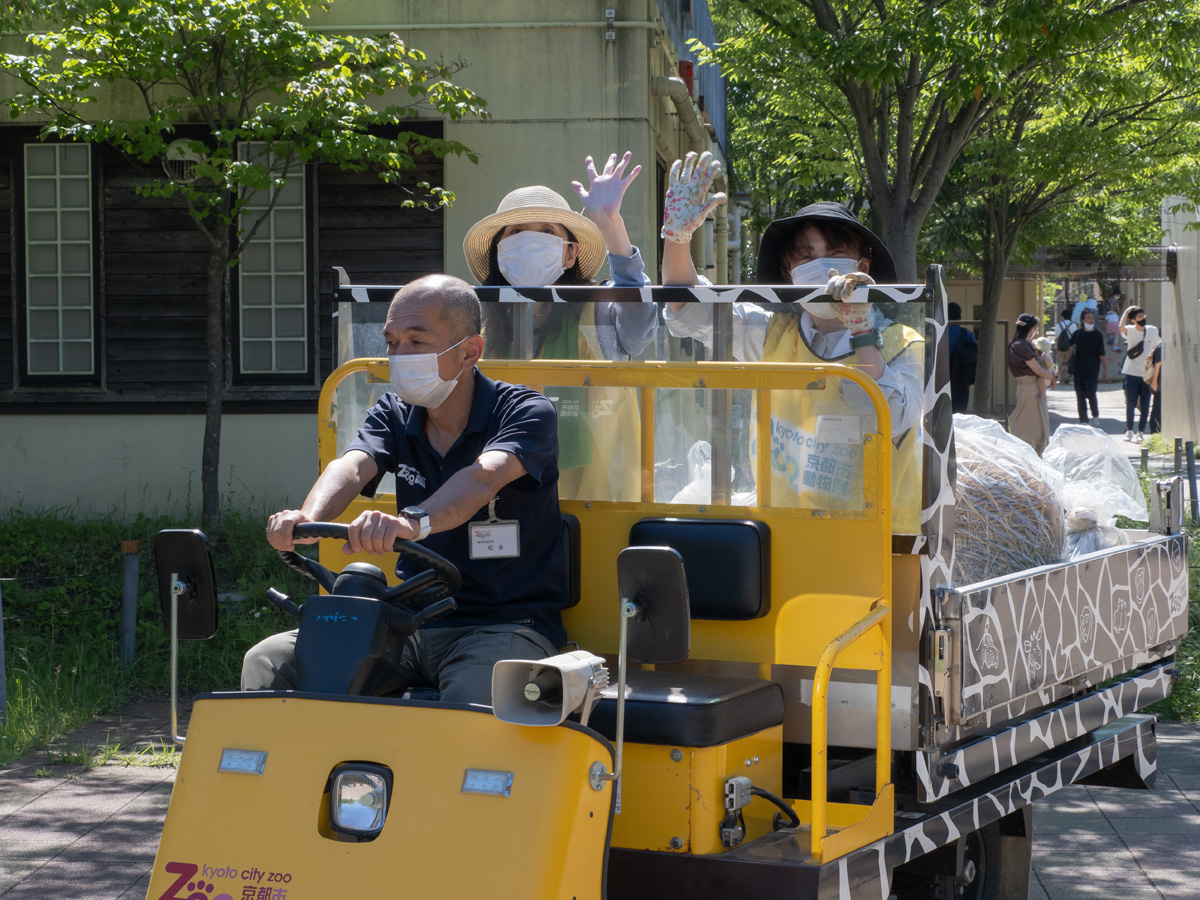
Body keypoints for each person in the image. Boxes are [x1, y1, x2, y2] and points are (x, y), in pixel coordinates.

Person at [242, 275, 568, 704]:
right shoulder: (395, 411)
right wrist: (309, 518)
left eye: (417, 341)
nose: (399, 355)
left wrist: (410, 523)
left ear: (469, 351)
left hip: (505, 624)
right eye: (392, 342)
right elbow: (354, 465)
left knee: (473, 696)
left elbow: (483, 476)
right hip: (405, 622)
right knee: (268, 661)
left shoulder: (526, 411)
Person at [659, 153, 924, 532]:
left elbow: (890, 416)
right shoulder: (771, 334)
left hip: (876, 546)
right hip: (783, 541)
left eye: (836, 253)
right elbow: (686, 308)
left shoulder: (903, 343)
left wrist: (861, 330)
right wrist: (677, 238)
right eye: (806, 256)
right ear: (790, 273)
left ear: (863, 268)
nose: (823, 266)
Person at [463, 152, 655, 501]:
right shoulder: (478, 329)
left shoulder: (595, 312)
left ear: (570, 254)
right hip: (498, 497)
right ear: (499, 253)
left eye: (547, 232)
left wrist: (610, 224)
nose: (529, 240)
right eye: (516, 232)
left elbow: (638, 325)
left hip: (593, 504)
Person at [1007, 312, 1056, 454]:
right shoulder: (1021, 345)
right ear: (1031, 329)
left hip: (1028, 387)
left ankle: (1026, 456)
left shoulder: (1018, 344)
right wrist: (1053, 376)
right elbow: (1037, 370)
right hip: (1029, 388)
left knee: (1032, 424)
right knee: (1034, 428)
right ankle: (1025, 456)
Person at [1118, 305, 1160, 442]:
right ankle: (1129, 430)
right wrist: (1126, 311)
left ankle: (1141, 432)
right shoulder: (1130, 330)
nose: (1143, 318)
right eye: (1139, 317)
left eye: (1144, 316)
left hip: (1146, 374)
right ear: (1133, 320)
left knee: (1145, 403)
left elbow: (1158, 345)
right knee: (1130, 403)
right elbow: (1121, 328)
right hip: (1131, 373)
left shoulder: (1153, 330)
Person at [1070, 307, 1106, 424]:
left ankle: (1095, 416)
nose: (1091, 320)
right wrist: (1065, 364)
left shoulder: (1098, 335)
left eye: (1092, 318)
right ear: (1083, 320)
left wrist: (1105, 368)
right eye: (1088, 318)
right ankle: (1083, 420)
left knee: (1091, 393)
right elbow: (1070, 350)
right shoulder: (1077, 334)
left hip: (1093, 369)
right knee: (1080, 395)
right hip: (1078, 368)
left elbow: (1102, 353)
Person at [947, 302, 978, 413]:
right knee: (960, 415)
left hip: (939, 381)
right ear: (960, 317)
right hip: (961, 382)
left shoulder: (938, 335)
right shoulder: (967, 335)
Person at [1054, 308, 1076, 387]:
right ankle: (1069, 378)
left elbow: (1056, 338)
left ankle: (1062, 379)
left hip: (1061, 347)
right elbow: (1075, 338)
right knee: (1070, 362)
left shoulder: (1058, 325)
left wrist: (1057, 348)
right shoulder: (1074, 325)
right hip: (1070, 347)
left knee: (1060, 363)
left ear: (1062, 317)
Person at [1147, 342, 1162, 434]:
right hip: (1160, 384)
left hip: (1162, 383)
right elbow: (1157, 365)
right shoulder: (1161, 347)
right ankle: (1154, 432)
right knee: (1157, 409)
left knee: (1158, 408)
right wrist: (1154, 381)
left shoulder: (1160, 347)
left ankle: (1156, 431)